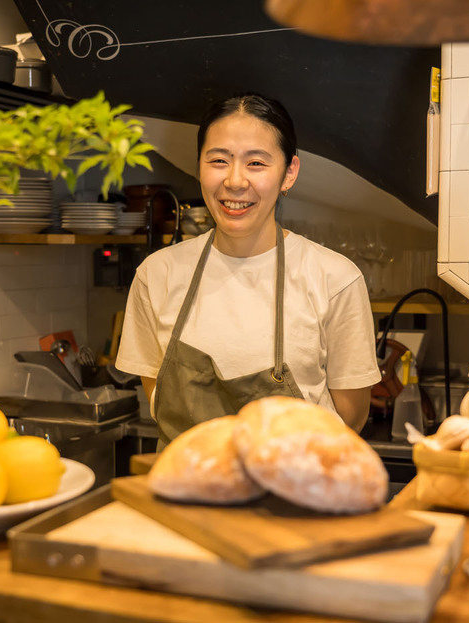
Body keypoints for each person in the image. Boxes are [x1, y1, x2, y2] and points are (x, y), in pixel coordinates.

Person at [115, 93, 380, 446]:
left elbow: (350, 418)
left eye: (256, 163)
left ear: (289, 173)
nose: (235, 181)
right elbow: (158, 400)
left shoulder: (336, 279)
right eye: (219, 160)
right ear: (199, 167)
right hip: (186, 492)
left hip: (296, 492)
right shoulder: (157, 275)